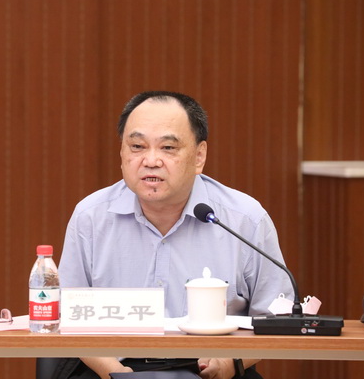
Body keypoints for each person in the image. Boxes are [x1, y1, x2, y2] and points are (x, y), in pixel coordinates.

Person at [58, 90, 294, 379]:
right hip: (112, 367)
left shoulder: (245, 220)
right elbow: (68, 315)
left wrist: (230, 363)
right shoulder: (91, 217)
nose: (151, 160)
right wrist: (115, 372)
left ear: (199, 156)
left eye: (168, 148)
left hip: (214, 366)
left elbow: (277, 319)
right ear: (121, 153)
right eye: (137, 146)